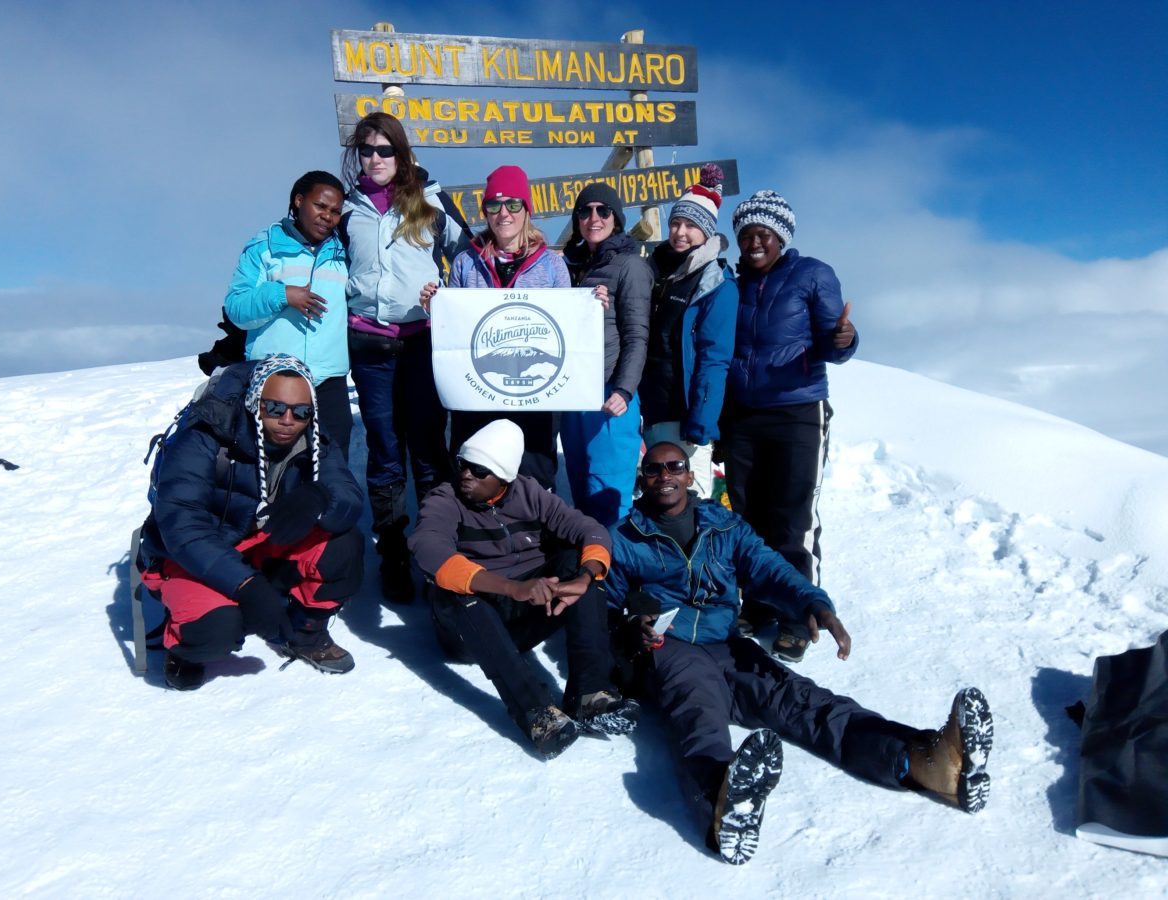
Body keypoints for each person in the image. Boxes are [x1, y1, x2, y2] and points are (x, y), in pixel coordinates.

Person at [605, 442, 993, 865]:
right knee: (697, 714)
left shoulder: (724, 526)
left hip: (728, 645)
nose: (665, 476)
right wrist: (629, 628)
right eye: (654, 469)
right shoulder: (623, 537)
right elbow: (601, 609)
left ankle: (923, 761)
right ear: (642, 478)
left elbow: (768, 568)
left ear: (689, 474)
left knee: (803, 701)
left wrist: (814, 604)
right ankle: (722, 803)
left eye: (674, 466)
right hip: (670, 650)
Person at [408, 419, 640, 759]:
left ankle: (589, 693)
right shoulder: (445, 499)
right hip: (472, 631)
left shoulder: (530, 493)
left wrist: (585, 577)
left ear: (503, 477)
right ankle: (535, 712)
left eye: (479, 470)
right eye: (463, 465)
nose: (466, 475)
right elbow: (429, 548)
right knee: (454, 591)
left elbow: (590, 530)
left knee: (579, 561)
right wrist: (512, 588)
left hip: (522, 618)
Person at [139, 355, 365, 690]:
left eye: (301, 411)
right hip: (192, 554)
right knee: (216, 628)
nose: (288, 419)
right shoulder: (204, 436)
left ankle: (305, 631)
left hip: (260, 541)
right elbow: (182, 526)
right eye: (275, 407)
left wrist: (319, 498)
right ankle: (184, 647)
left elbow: (347, 496)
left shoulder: (313, 437)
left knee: (343, 543)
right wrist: (246, 585)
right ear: (254, 402)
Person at [723, 189, 859, 662]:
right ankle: (758, 604)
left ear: (781, 236)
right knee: (746, 516)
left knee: (793, 515)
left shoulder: (812, 274)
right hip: (742, 414)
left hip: (798, 411)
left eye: (764, 234)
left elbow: (833, 343)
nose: (755, 243)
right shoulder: (732, 283)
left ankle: (798, 616)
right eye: (746, 235)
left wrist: (845, 338)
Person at [341, 111, 467, 603]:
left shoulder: (431, 202)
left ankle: (438, 554)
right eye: (368, 150)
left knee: (429, 448)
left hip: (420, 343)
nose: (376, 159)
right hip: (368, 346)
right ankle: (393, 554)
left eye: (385, 150)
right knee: (384, 449)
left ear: (402, 154)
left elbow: (473, 255)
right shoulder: (347, 208)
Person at [420, 165, 571, 490]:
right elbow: (453, 333)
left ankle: (535, 538)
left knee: (534, 478)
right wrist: (437, 309)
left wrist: (592, 306)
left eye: (513, 204)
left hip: (535, 394)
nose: (504, 213)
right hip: (480, 391)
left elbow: (568, 329)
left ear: (526, 209)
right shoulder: (465, 262)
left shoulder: (553, 264)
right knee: (475, 475)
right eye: (494, 205)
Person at [223, 171, 353, 456]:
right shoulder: (264, 247)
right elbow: (236, 307)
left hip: (328, 379)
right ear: (298, 201)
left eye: (335, 211)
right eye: (320, 206)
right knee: (272, 467)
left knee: (332, 467)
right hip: (274, 379)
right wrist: (282, 294)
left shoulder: (344, 251)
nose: (327, 217)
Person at [640, 164, 737, 500]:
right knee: (652, 507)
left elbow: (714, 357)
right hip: (647, 413)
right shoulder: (655, 272)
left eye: (691, 225)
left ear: (707, 231)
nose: (681, 232)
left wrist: (701, 422)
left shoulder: (716, 285)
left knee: (686, 506)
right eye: (676, 223)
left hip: (684, 417)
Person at [561, 183, 652, 526]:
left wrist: (624, 391)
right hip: (573, 396)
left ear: (617, 218)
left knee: (609, 498)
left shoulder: (631, 266)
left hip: (610, 395)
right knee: (582, 496)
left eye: (603, 211)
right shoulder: (572, 267)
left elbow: (637, 335)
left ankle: (617, 576)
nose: (593, 218)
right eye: (585, 211)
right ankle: (592, 576)